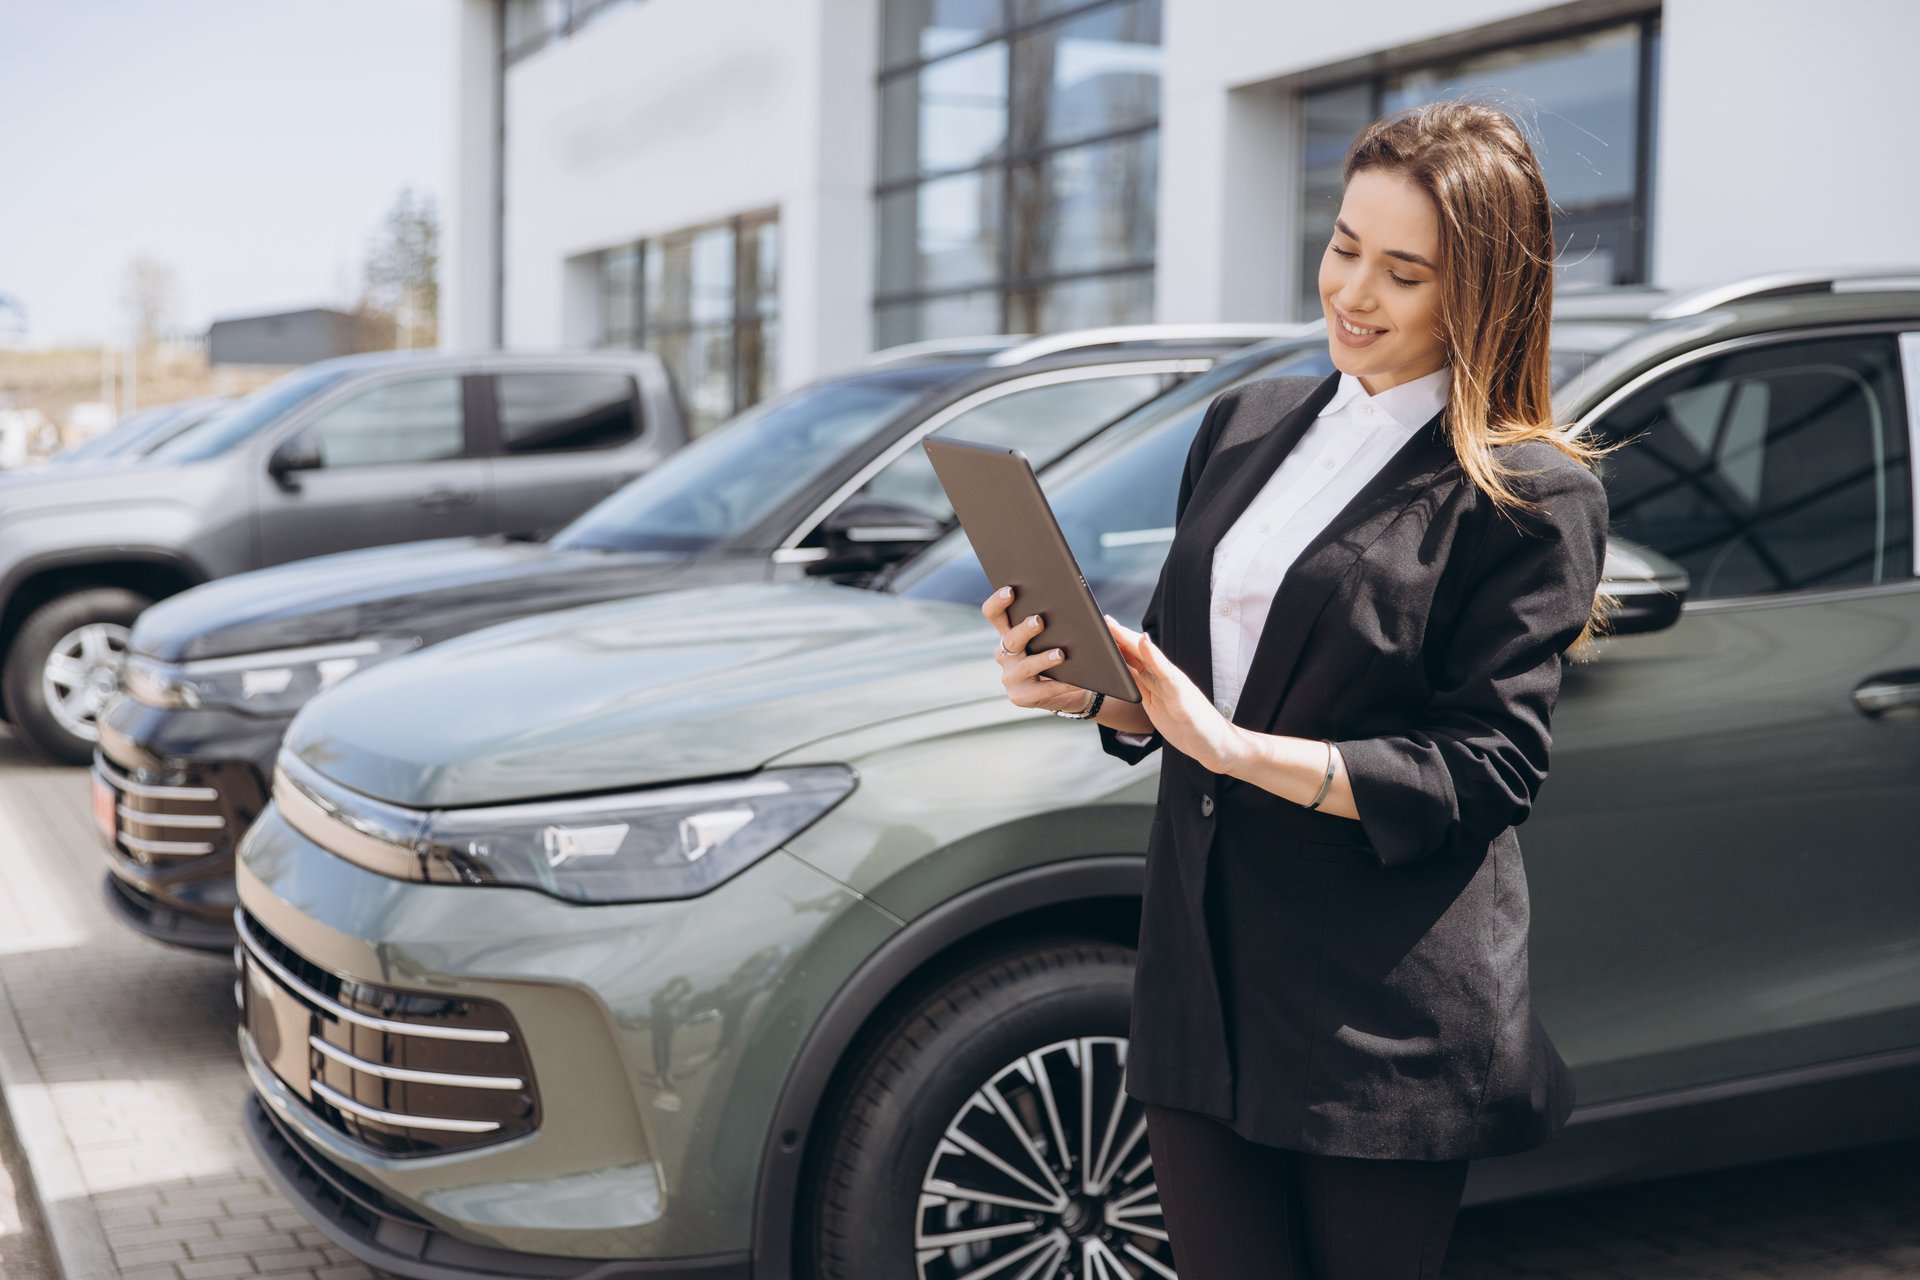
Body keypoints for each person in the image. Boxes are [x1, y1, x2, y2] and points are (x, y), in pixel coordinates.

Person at [979, 99, 1619, 1278]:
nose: (1353, 292)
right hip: (1202, 970)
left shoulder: (1530, 493)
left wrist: (1231, 746)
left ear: (1480, 292)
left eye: (1403, 272)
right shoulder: (1246, 421)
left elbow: (1485, 770)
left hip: (1375, 1005)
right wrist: (1088, 690)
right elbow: (1192, 688)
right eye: (1343, 246)